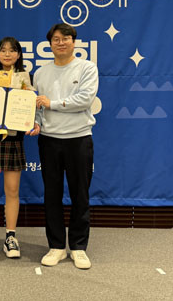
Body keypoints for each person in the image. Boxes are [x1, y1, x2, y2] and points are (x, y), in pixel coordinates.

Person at [34, 23, 98, 270]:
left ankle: (79, 247)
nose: (61, 43)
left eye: (66, 38)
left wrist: (52, 104)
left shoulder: (86, 68)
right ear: (50, 44)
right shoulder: (41, 73)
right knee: (52, 195)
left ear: (74, 42)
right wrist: (36, 122)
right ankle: (57, 246)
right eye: (56, 39)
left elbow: (84, 100)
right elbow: (37, 106)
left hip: (79, 138)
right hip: (49, 140)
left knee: (80, 194)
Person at [0, 37, 40, 259]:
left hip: (14, 140)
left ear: (18, 55)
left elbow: (31, 108)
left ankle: (11, 237)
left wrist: (32, 120)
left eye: (12, 50)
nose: (7, 54)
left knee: (12, 191)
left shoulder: (25, 79)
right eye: (3, 50)